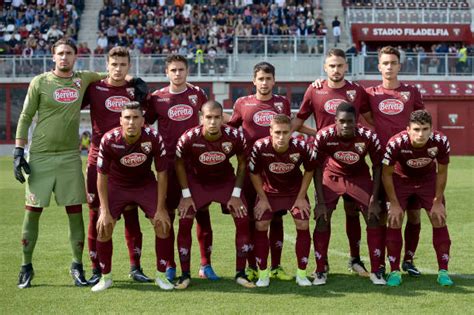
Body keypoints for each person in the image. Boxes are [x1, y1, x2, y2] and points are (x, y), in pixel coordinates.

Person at [14, 38, 107, 289]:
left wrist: (134, 81)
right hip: (41, 156)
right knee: (32, 212)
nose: (64, 57)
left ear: (76, 57)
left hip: (68, 156)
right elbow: (25, 116)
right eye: (60, 53)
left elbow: (113, 75)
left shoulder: (83, 78)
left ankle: (77, 267)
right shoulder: (40, 82)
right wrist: (18, 150)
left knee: (74, 212)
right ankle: (26, 267)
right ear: (53, 57)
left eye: (68, 53)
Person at [293, 48, 372, 277]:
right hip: (325, 164)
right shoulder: (315, 90)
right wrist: (318, 133)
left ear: (346, 67)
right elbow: (297, 123)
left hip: (353, 162)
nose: (336, 70)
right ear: (325, 68)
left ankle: (355, 259)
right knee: (324, 214)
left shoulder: (357, 91)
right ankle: (323, 263)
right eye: (332, 66)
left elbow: (371, 120)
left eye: (340, 65)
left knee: (353, 210)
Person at [82, 46, 151, 285]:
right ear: (107, 65)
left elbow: (148, 117)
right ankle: (96, 269)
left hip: (128, 162)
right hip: (97, 160)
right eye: (114, 64)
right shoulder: (94, 88)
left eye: (123, 65)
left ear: (129, 66)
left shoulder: (135, 91)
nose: (118, 69)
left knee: (132, 214)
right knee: (96, 215)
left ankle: (136, 267)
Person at [146, 54, 218, 282]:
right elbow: (144, 124)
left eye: (181, 70)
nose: (177, 74)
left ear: (187, 71)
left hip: (195, 163)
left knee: (202, 213)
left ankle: (205, 265)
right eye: (173, 70)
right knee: (168, 215)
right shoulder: (157, 98)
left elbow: (208, 119)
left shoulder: (197, 94)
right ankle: (170, 265)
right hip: (168, 165)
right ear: (166, 73)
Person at [91, 102, 172, 292]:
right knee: (104, 226)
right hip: (116, 185)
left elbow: (162, 174)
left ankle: (161, 276)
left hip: (144, 185)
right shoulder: (109, 139)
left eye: (136, 118)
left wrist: (161, 209)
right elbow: (101, 176)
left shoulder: (153, 138)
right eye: (127, 118)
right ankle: (106, 277)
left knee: (163, 224)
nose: (131, 122)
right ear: (121, 121)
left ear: (143, 121)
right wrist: (103, 210)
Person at [174, 101, 254, 289]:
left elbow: (243, 163)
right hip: (197, 183)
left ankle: (240, 273)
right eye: (208, 117)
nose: (212, 122)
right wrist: (186, 195)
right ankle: (185, 274)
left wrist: (236, 194)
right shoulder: (189, 137)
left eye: (217, 117)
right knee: (185, 219)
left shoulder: (234, 136)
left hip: (224, 182)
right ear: (202, 118)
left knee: (242, 217)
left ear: (222, 118)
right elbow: (178, 164)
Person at [227, 62, 294, 282]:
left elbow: (286, 130)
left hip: (274, 171)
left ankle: (275, 266)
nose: (264, 83)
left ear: (274, 80)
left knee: (275, 217)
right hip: (248, 170)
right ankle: (251, 267)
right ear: (253, 81)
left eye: (268, 78)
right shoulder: (242, 103)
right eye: (260, 79)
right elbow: (232, 128)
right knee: (248, 218)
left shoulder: (282, 103)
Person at [365, 46, 425, 277]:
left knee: (414, 213)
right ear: (379, 66)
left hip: (409, 163)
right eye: (385, 63)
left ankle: (408, 260)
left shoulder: (411, 92)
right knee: (383, 214)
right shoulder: (370, 93)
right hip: (382, 164)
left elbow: (420, 120)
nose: (389, 67)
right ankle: (380, 262)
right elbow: (359, 111)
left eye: (393, 63)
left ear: (400, 65)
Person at [312, 102, 386, 286]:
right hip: (333, 175)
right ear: (335, 121)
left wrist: (374, 199)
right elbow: (316, 168)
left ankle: (376, 270)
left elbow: (378, 166)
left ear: (357, 121)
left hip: (359, 176)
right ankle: (321, 269)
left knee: (374, 216)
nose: (346, 125)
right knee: (322, 217)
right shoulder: (323, 136)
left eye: (350, 121)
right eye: (342, 121)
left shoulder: (368, 137)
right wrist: (320, 201)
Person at [382, 110, 453, 287]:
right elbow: (386, 175)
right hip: (400, 180)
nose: (420, 134)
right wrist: (394, 203)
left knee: (438, 217)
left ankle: (443, 271)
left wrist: (437, 202)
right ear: (408, 129)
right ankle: (395, 271)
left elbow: (442, 172)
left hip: (427, 181)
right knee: (395, 219)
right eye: (416, 129)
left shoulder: (440, 141)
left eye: (425, 129)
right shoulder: (396, 143)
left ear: (431, 129)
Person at [249, 114, 316, 287]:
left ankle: (301, 273)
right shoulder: (260, 147)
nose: (281, 137)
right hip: (269, 192)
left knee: (303, 223)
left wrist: (301, 197)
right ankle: (263, 273)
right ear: (270, 131)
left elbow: (309, 170)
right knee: (261, 225)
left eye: (285, 133)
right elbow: (254, 173)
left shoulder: (301, 146)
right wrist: (262, 199)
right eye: (277, 132)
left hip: (294, 192)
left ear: (291, 133)